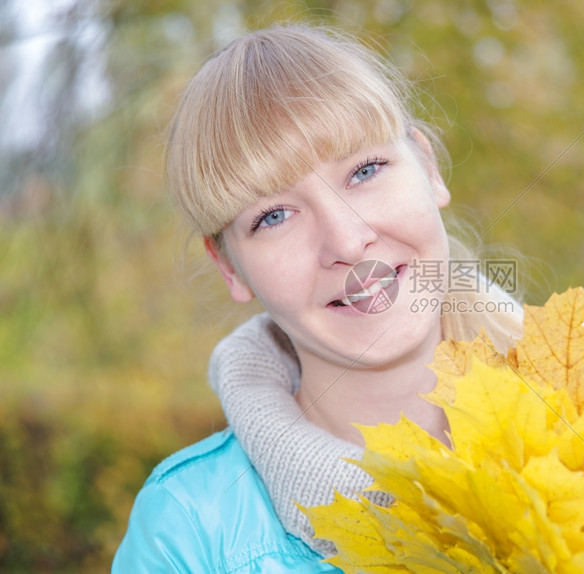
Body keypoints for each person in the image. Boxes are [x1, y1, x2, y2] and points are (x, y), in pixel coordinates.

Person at [113, 22, 523, 572]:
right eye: (274, 216)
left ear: (428, 168)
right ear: (229, 266)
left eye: (365, 170)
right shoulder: (187, 531)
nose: (348, 241)